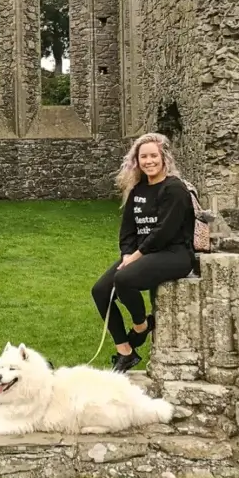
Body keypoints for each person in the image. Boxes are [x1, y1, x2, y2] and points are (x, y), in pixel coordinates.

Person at [91, 132, 196, 373]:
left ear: (163, 158)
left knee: (124, 279)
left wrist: (136, 256)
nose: (149, 161)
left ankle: (141, 326)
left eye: (153, 156)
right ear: (136, 161)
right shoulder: (137, 189)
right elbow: (128, 229)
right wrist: (127, 254)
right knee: (100, 291)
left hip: (174, 253)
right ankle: (125, 351)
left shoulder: (174, 189)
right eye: (143, 157)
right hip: (142, 253)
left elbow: (164, 232)